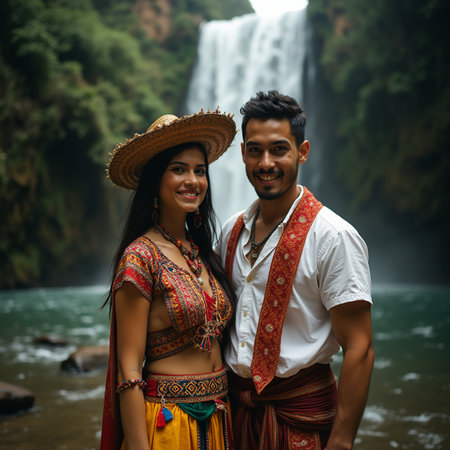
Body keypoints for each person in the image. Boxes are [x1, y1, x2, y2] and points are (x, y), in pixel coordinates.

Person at [217, 90, 374, 450]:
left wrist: (341, 441)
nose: (266, 162)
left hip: (299, 421)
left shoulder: (333, 237)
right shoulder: (229, 232)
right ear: (242, 153)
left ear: (302, 152)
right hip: (233, 416)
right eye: (255, 150)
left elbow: (360, 347)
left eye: (279, 149)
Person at [100, 110, 237, 450]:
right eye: (179, 169)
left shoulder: (202, 252)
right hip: (168, 424)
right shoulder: (141, 256)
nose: (193, 180)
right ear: (155, 181)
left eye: (199, 171)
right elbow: (128, 371)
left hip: (219, 415)